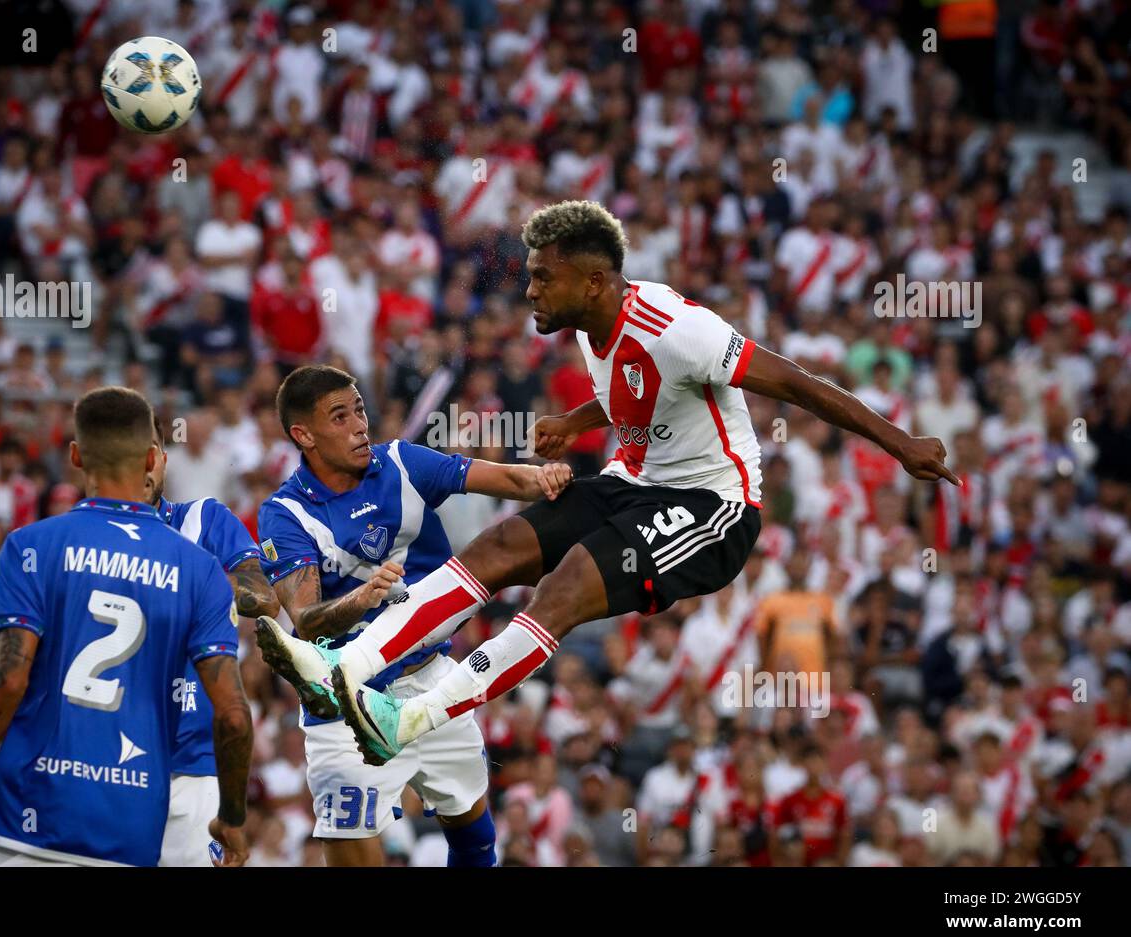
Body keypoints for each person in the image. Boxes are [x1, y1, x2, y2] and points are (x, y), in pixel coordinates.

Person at [262, 199, 959, 767]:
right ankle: (344, 669)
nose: (530, 289)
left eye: (542, 278)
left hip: (713, 507)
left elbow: (796, 384)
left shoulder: (677, 326)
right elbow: (638, 386)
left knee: (561, 588)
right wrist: (578, 419)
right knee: (497, 549)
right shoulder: (588, 323)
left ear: (591, 282)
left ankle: (406, 720)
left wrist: (902, 445)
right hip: (633, 483)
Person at [0, 387, 254, 867]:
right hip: (127, 830)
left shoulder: (29, 545)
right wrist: (232, 820)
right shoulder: (199, 570)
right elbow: (234, 716)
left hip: (20, 816)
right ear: (154, 457)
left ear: (75, 455)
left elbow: (8, 679)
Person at [254, 364, 573, 866]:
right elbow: (306, 619)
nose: (360, 424)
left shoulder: (401, 462)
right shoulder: (286, 512)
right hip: (345, 702)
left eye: (359, 408)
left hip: (432, 682)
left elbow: (502, 478)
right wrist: (359, 602)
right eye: (339, 417)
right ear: (303, 435)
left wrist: (544, 477)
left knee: (475, 838)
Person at [145, 419, 282, 867]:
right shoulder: (80, 536)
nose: (144, 465)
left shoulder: (202, 517)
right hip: (111, 763)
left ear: (165, 458)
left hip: (196, 762)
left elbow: (263, 598)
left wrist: (194, 584)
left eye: (152, 450)